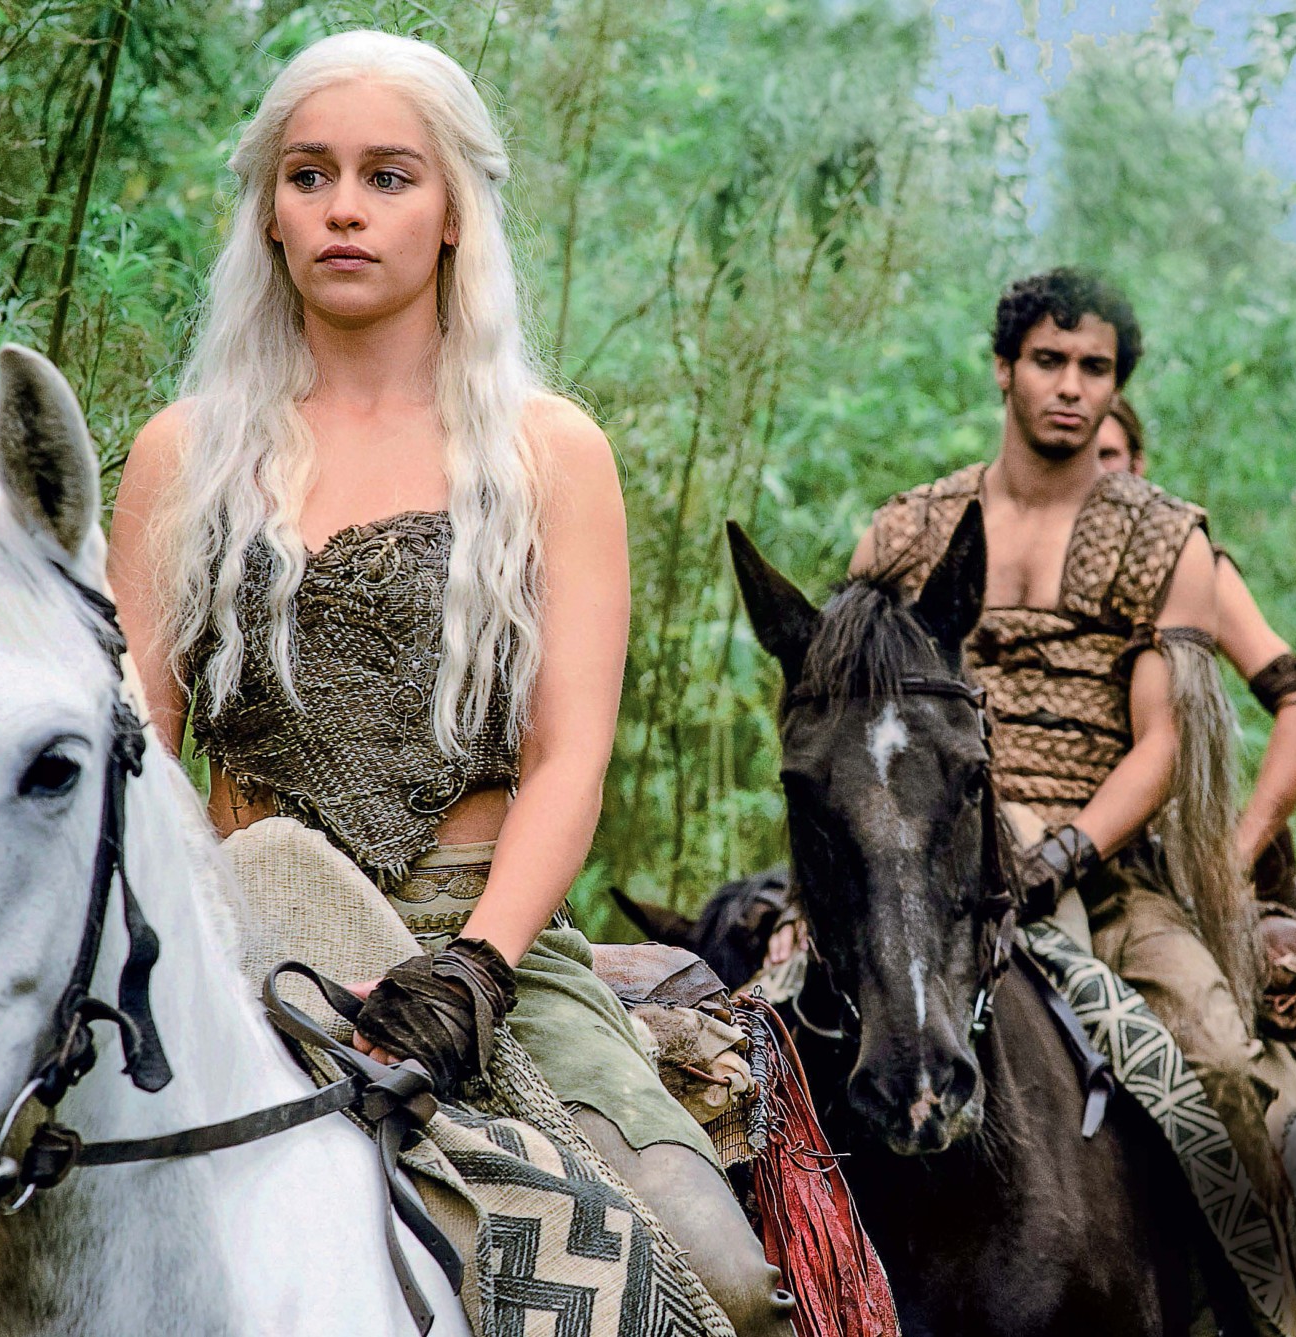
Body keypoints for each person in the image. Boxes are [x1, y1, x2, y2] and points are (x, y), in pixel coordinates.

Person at [105, 31, 791, 1333]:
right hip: (238, 944)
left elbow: (567, 758)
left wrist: (474, 968)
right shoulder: (178, 455)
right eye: (309, 175)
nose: (344, 208)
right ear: (270, 211)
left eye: (387, 176)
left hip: (486, 948)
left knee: (719, 1278)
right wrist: (183, 939)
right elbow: (136, 748)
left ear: (455, 212)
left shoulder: (549, 452)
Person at [850, 269, 1296, 1333]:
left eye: (1094, 368)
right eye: (1049, 360)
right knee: (749, 1034)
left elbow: (1164, 740)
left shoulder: (1163, 536)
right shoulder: (907, 530)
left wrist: (1063, 852)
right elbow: (849, 716)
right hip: (923, 866)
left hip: (1105, 869)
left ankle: (1257, 1316)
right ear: (1003, 368)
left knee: (1223, 1064)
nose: (1070, 386)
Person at [1094, 393, 1296, 872]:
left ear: (1138, 465)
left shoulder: (1187, 564)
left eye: (1108, 455)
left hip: (1151, 848)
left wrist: (1236, 855)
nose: (1095, 473)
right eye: (1082, 456)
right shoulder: (1010, 547)